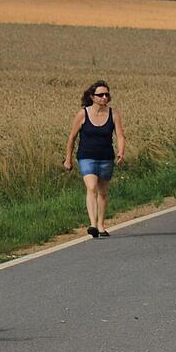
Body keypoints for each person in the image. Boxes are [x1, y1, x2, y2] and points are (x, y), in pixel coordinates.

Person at [64, 80, 126, 239]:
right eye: (101, 95)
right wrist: (68, 159)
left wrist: (121, 152)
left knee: (103, 192)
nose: (104, 97)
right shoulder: (82, 114)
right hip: (86, 156)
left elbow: (120, 135)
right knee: (91, 187)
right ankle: (92, 224)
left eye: (107, 94)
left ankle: (101, 225)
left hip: (106, 157)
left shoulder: (114, 114)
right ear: (92, 97)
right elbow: (72, 137)